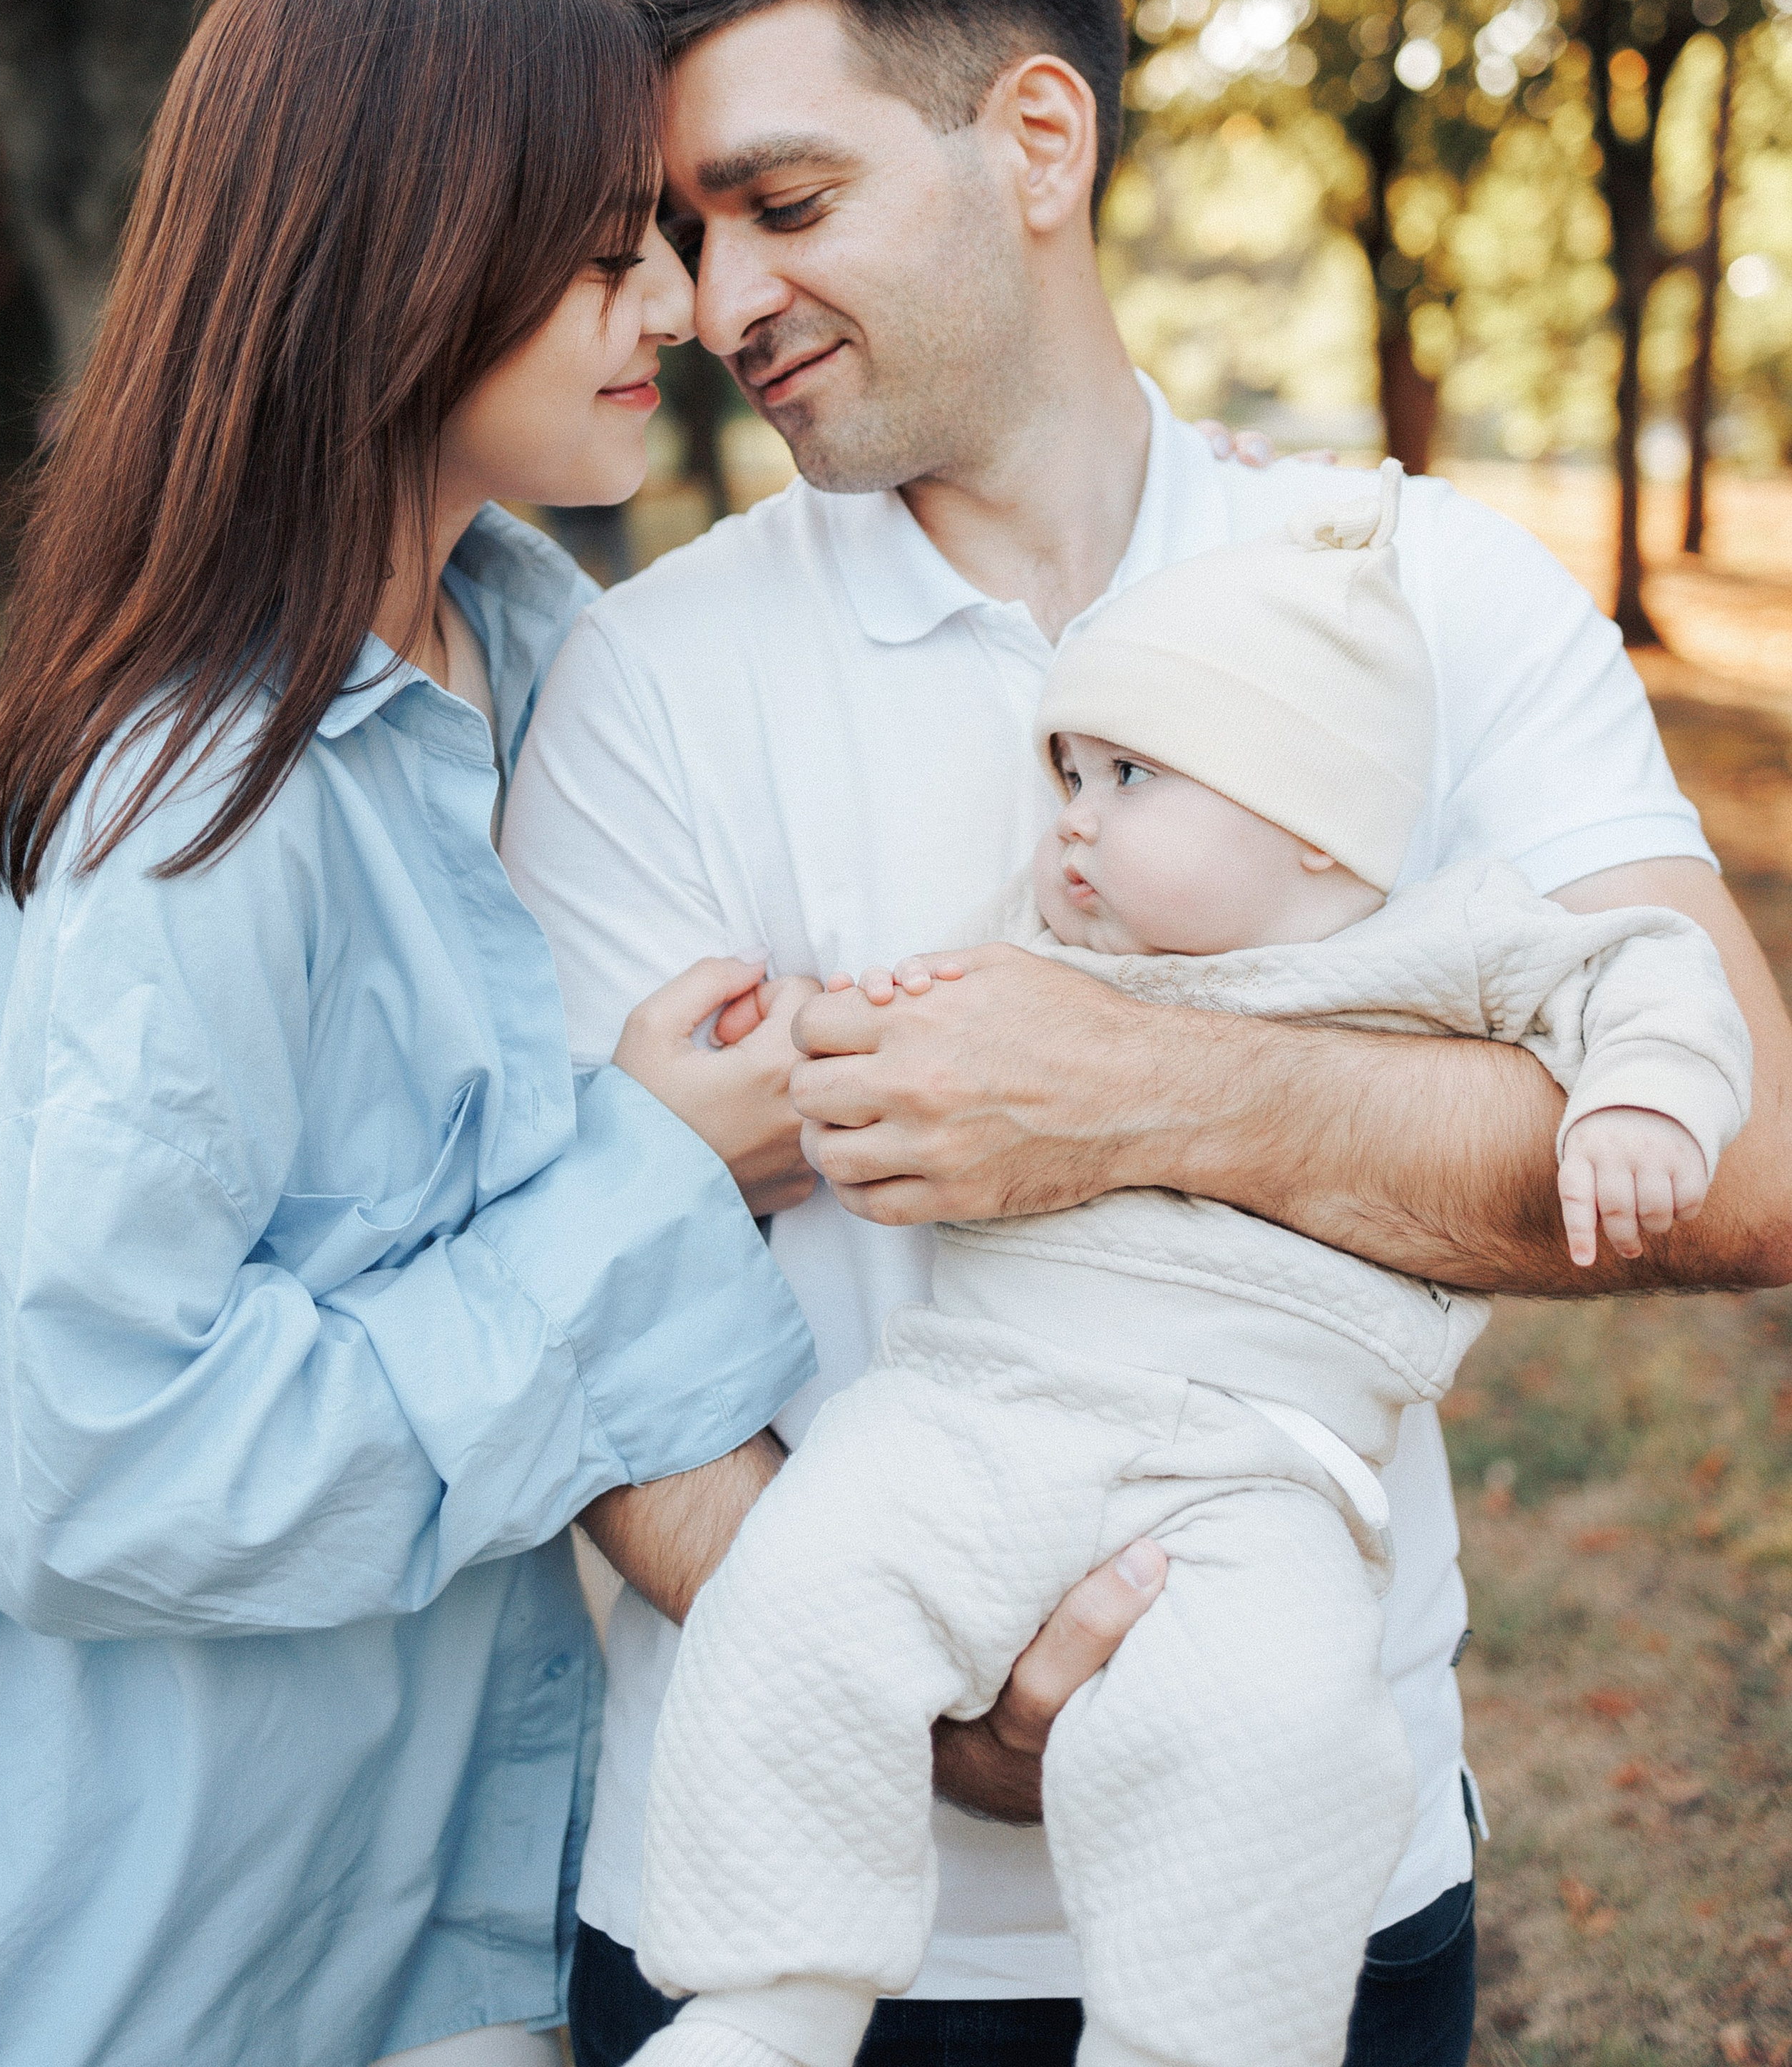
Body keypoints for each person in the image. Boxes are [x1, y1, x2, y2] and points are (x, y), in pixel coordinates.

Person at [501, 0, 1792, 2067]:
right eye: (690, 234)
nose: (719, 306)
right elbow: (563, 1284)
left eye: (784, 208)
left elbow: (1749, 1162)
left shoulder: (1423, 589)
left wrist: (1152, 1088)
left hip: (1319, 1891)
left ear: (1036, 139)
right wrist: (944, 1702)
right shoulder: (645, 681)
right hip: (773, 1940)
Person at [0, 0, 818, 2067]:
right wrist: (643, 1179)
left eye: (665, 237)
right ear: (392, 256)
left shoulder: (541, 668)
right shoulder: (197, 812)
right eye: (597, 245)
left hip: (458, 1908)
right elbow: (95, 1473)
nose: (674, 306)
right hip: (172, 1961)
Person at [623, 469, 1750, 2067]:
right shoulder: (1038, 947)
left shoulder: (1430, 948)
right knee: (801, 1600)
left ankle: (1189, 2044)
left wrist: (1640, 1098)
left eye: (1130, 774)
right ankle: (767, 1999)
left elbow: (1643, 968)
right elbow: (893, 1024)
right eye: (1066, 771)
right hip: (972, 1413)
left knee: (1274, 1735)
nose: (1071, 816)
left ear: (1306, 821)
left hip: (1254, 1473)